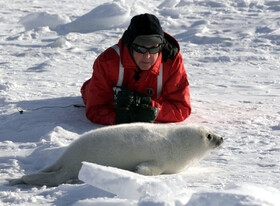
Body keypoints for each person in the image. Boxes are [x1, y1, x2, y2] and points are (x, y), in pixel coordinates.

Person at [81, 13, 191, 125]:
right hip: (102, 93)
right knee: (89, 90)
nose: (147, 56)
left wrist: (152, 108)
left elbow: (181, 108)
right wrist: (121, 118)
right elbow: (94, 109)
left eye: (153, 49)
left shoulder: (172, 62)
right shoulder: (107, 61)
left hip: (154, 100)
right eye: (140, 49)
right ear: (130, 45)